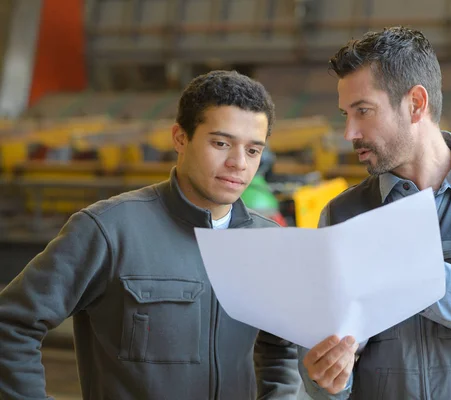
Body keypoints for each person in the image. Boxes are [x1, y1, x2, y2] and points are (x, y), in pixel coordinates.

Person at [0, 70, 301, 399]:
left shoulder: (267, 242)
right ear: (180, 138)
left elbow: (282, 351)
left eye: (253, 151)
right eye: (221, 143)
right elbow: (11, 325)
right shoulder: (109, 230)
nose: (238, 163)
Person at [298, 26, 451, 399]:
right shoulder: (342, 215)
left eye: (363, 111)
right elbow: (325, 372)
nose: (349, 132)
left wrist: (394, 265)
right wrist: (329, 378)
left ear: (415, 103)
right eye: (345, 114)